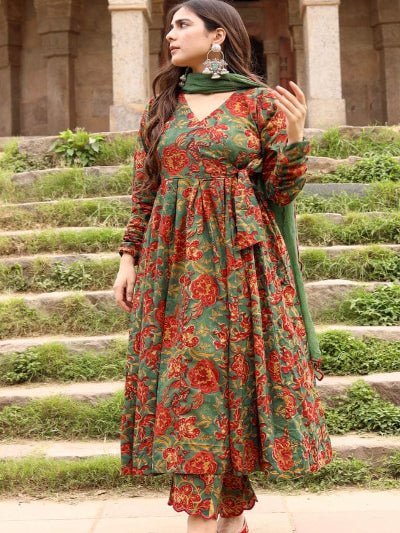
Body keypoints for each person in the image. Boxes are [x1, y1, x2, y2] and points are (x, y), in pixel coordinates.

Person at [113, 1, 333, 532]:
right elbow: (146, 190)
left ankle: (218, 520)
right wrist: (127, 257)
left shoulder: (258, 103)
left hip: (241, 261)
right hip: (174, 265)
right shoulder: (163, 106)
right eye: (170, 25)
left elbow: (279, 191)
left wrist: (295, 137)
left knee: (232, 382)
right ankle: (218, 519)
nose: (170, 35)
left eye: (182, 25)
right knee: (189, 381)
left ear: (217, 36)